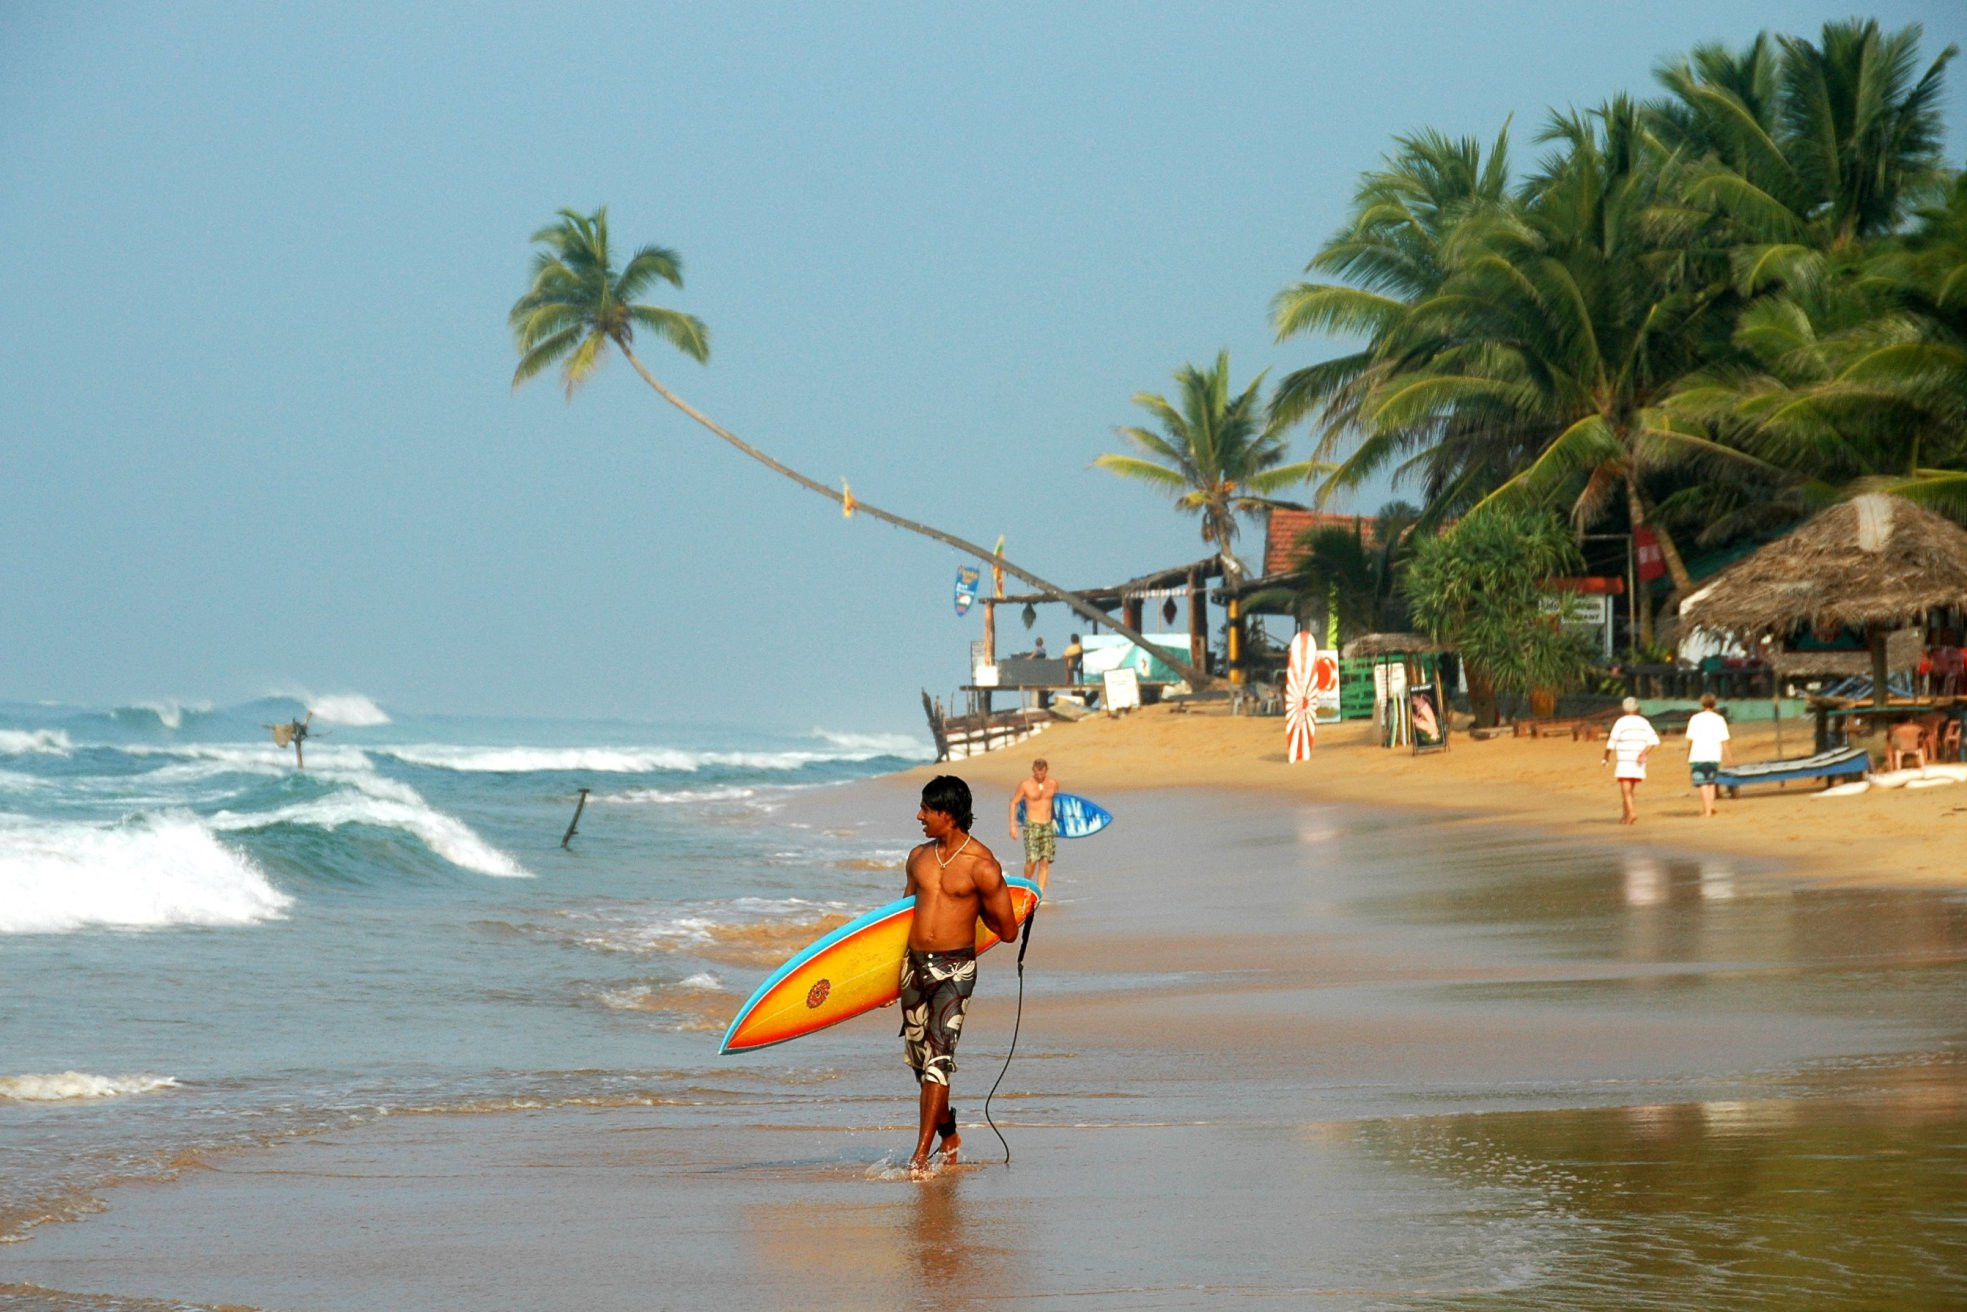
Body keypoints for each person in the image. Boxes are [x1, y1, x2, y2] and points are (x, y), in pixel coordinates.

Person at [900, 774, 1019, 1180]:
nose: (919, 816)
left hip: (955, 971)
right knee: (920, 1063)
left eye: (926, 810)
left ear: (947, 815)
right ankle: (948, 1134)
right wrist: (877, 982)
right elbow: (898, 921)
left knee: (938, 1063)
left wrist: (977, 910)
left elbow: (1007, 931)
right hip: (913, 968)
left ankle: (919, 1155)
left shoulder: (983, 867)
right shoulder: (918, 856)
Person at [1601, 697, 1660, 825]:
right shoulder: (1644, 722)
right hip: (1639, 760)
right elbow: (1654, 741)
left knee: (1625, 789)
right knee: (1630, 789)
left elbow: (1611, 742)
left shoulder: (1620, 722)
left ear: (1624, 709)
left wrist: (1606, 757)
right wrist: (1644, 753)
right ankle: (1626, 815)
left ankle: (1632, 812)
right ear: (1637, 708)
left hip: (1624, 759)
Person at [1008, 757, 1059, 893]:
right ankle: (1026, 885)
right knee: (1032, 860)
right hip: (1032, 826)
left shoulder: (1053, 784)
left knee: (1045, 861)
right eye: (1037, 773)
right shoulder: (1026, 785)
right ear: (1033, 771)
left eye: (1042, 773)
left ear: (1046, 771)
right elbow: (1014, 802)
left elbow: (1058, 803)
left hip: (1047, 825)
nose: (1039, 776)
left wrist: (1058, 823)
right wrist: (1013, 826)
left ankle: (1040, 893)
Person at [1684, 693, 1733, 818]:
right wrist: (1729, 758)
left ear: (1702, 704)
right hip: (1714, 754)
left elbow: (1690, 739)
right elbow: (1724, 740)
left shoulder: (1695, 718)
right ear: (1714, 704)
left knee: (1702, 783)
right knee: (1711, 782)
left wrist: (1688, 753)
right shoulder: (1719, 719)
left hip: (1698, 754)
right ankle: (1711, 806)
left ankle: (1707, 810)